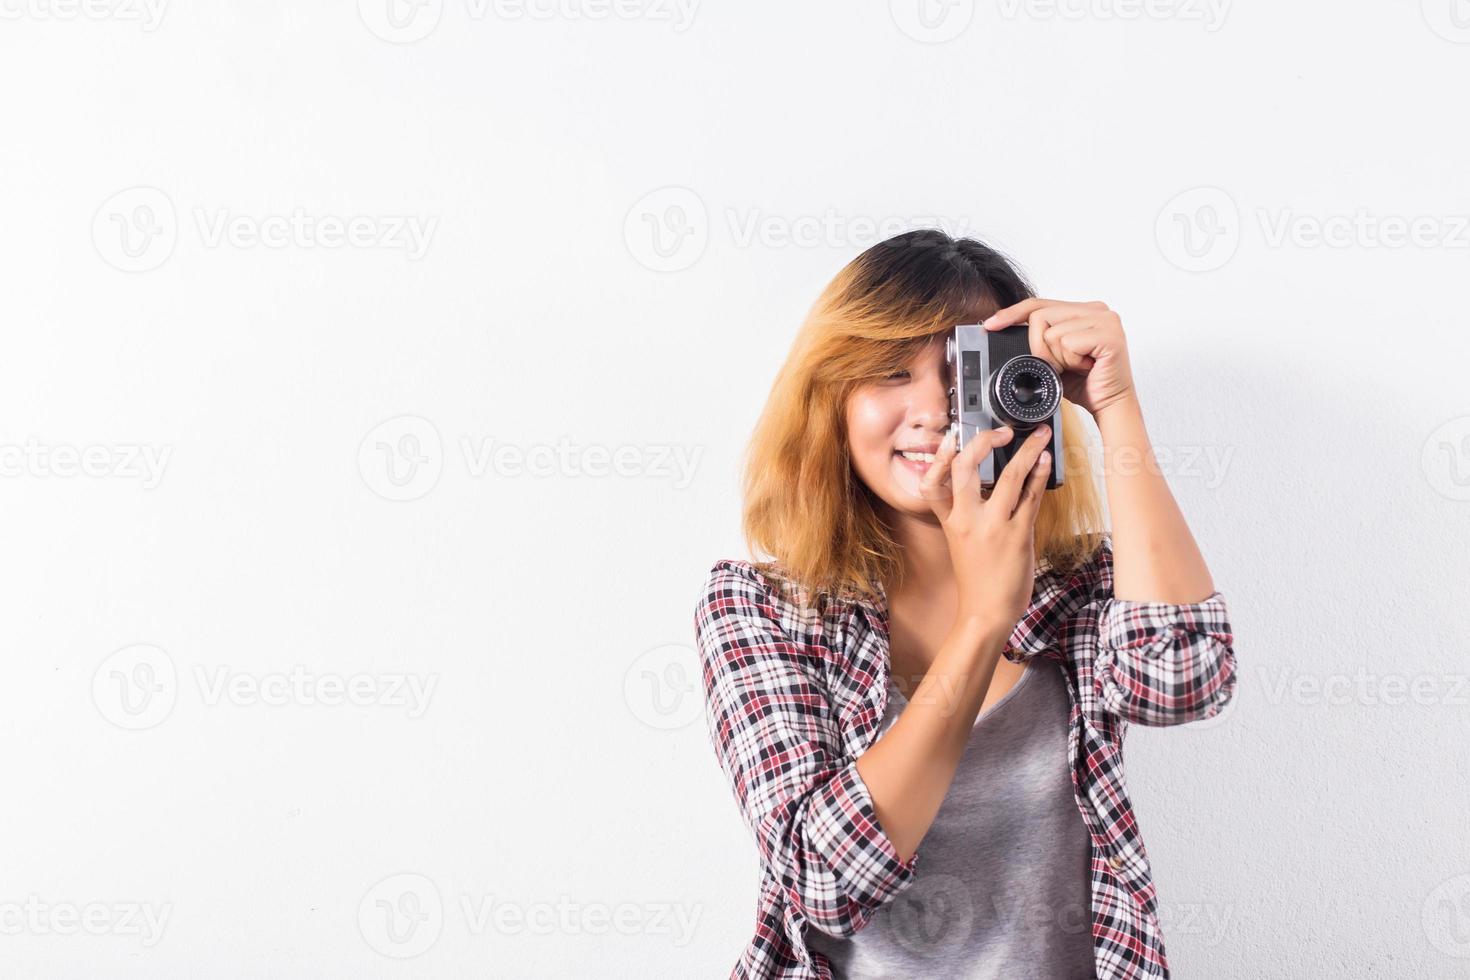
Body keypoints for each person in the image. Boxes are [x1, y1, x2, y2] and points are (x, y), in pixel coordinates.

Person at [693, 229, 1237, 980]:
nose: (932, 410)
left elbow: (1188, 681)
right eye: (889, 373)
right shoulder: (760, 608)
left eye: (964, 373)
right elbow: (823, 880)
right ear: (833, 400)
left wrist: (1113, 406)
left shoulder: (1081, 585)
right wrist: (983, 620)